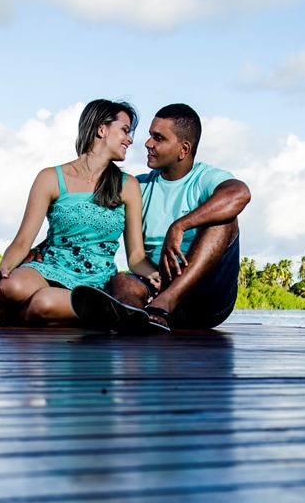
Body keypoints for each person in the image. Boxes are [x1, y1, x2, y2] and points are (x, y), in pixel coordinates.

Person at [0, 99, 160, 327]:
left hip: (94, 284)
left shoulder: (127, 185)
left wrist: (156, 275)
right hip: (50, 268)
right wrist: (3, 268)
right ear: (101, 129)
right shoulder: (50, 178)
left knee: (43, 303)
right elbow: (22, 241)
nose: (130, 139)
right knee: (7, 287)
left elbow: (136, 257)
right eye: (124, 130)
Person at [69, 103, 251, 332]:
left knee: (225, 219)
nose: (148, 143)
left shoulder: (205, 178)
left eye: (158, 138)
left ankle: (165, 303)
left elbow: (240, 194)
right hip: (156, 287)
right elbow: (84, 215)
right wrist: (43, 247)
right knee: (123, 281)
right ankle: (134, 318)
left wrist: (180, 226)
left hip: (205, 299)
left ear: (184, 149)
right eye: (150, 135)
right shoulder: (137, 186)